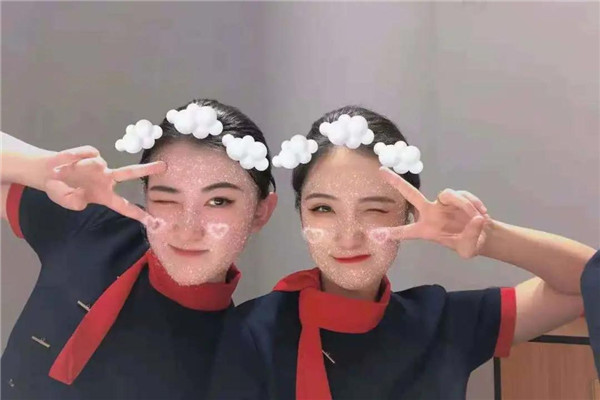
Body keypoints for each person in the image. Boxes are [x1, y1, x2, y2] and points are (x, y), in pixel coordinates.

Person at [209, 105, 597, 399]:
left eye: (375, 209)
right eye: (323, 209)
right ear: (300, 214)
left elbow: (585, 282)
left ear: (409, 213)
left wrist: (487, 237)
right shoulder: (250, 333)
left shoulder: (443, 321)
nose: (349, 236)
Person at [0, 99, 277, 399]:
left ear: (260, 212)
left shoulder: (238, 366)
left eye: (218, 201)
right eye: (166, 199)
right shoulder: (99, 228)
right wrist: (43, 170)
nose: (187, 229)